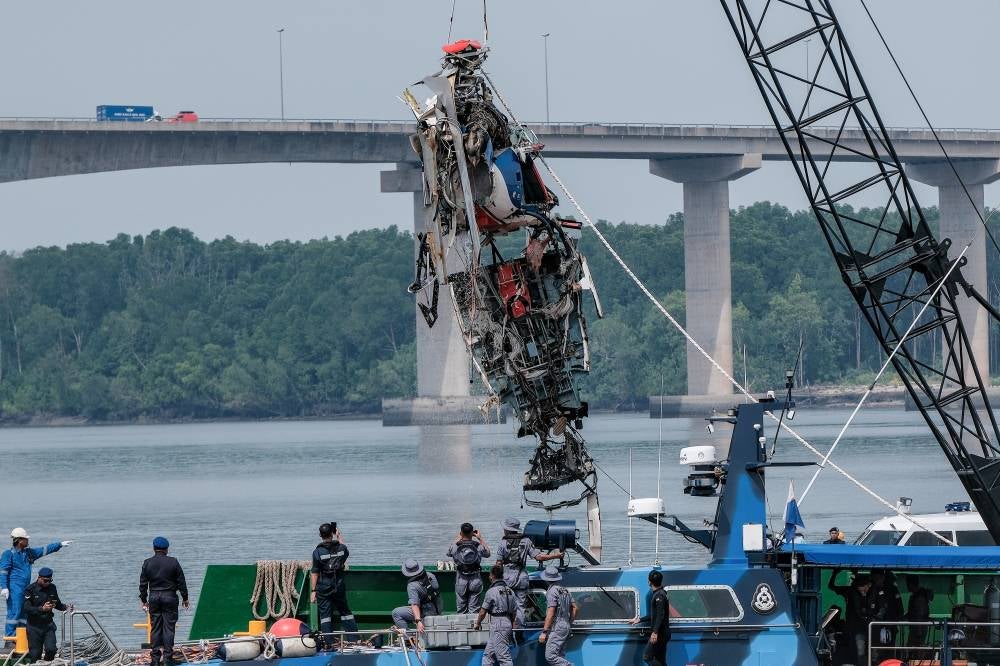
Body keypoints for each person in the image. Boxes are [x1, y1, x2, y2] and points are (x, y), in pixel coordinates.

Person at [0, 528, 70, 638]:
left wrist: (59, 544)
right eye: (26, 539)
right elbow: (3, 571)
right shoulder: (8, 554)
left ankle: (22, 638)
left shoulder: (28, 553)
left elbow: (44, 550)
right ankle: (10, 639)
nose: (28, 541)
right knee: (15, 612)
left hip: (26, 589)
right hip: (14, 588)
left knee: (24, 613)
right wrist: (4, 587)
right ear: (19, 540)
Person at [495, 518, 562, 625]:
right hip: (522, 578)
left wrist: (497, 579)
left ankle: (508, 630)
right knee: (520, 606)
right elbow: (539, 557)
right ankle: (519, 631)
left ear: (507, 529)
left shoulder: (502, 543)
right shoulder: (526, 541)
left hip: (507, 578)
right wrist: (556, 555)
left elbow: (498, 563)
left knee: (506, 604)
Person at [139, 537, 189, 666]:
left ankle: (155, 659)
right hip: (169, 597)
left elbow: (143, 584)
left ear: (154, 548)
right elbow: (181, 582)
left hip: (154, 596)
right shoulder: (173, 562)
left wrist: (144, 600)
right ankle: (167, 658)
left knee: (155, 628)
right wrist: (185, 598)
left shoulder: (147, 563)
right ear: (167, 549)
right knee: (169, 628)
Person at [309, 522, 358, 645]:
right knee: (345, 612)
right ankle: (354, 639)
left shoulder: (317, 552)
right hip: (339, 586)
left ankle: (329, 643)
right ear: (332, 533)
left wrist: (313, 591)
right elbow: (345, 550)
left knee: (325, 616)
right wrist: (339, 536)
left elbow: (314, 572)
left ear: (320, 535)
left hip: (324, 587)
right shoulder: (341, 549)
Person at [474, 564, 518, 666]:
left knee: (504, 657)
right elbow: (514, 611)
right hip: (507, 622)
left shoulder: (491, 592)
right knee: (488, 655)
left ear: (492, 576)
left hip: (498, 624)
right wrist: (511, 624)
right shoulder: (510, 591)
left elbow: (482, 611)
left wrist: (478, 623)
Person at [23, 567, 69, 662]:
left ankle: (47, 663)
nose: (47, 583)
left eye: (50, 580)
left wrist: (66, 607)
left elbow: (57, 604)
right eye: (45, 581)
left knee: (51, 649)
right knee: (35, 654)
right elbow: (26, 608)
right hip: (34, 626)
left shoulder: (52, 587)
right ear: (39, 577)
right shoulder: (30, 589)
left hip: (48, 625)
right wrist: (42, 609)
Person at [828, 569, 872, 666]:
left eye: (866, 585)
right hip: (853, 626)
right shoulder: (850, 591)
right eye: (861, 585)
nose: (865, 588)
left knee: (864, 651)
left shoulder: (870, 593)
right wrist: (834, 574)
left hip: (865, 626)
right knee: (856, 650)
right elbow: (831, 586)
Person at [447, 523, 491, 613]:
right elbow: (488, 553)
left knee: (461, 609)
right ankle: (474, 626)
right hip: (475, 579)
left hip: (461, 579)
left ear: (461, 533)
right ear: (472, 533)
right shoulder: (478, 546)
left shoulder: (456, 546)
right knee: (474, 610)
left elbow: (449, 552)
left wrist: (458, 538)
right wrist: (480, 538)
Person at [538, 566, 576, 666]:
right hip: (566, 624)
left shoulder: (551, 591)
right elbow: (575, 608)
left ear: (546, 579)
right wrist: (569, 622)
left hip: (557, 626)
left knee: (550, 656)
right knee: (560, 655)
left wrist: (544, 632)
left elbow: (551, 612)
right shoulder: (565, 590)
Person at [630, 570, 670, 666]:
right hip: (663, 633)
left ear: (649, 582)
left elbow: (660, 615)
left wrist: (655, 632)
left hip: (660, 634)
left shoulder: (659, 596)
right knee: (660, 660)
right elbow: (655, 615)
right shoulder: (660, 593)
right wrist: (639, 619)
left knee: (647, 656)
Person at [391, 559, 442, 633]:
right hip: (438, 608)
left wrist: (418, 621)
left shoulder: (412, 586)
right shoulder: (430, 575)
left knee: (396, 613)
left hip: (427, 613)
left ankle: (408, 639)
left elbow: (415, 604)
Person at [904, 575, 932, 656]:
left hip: (918, 627)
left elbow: (920, 613)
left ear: (911, 584)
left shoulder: (919, 597)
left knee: (915, 648)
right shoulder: (915, 596)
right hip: (916, 626)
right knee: (914, 648)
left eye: (907, 584)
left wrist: (919, 631)